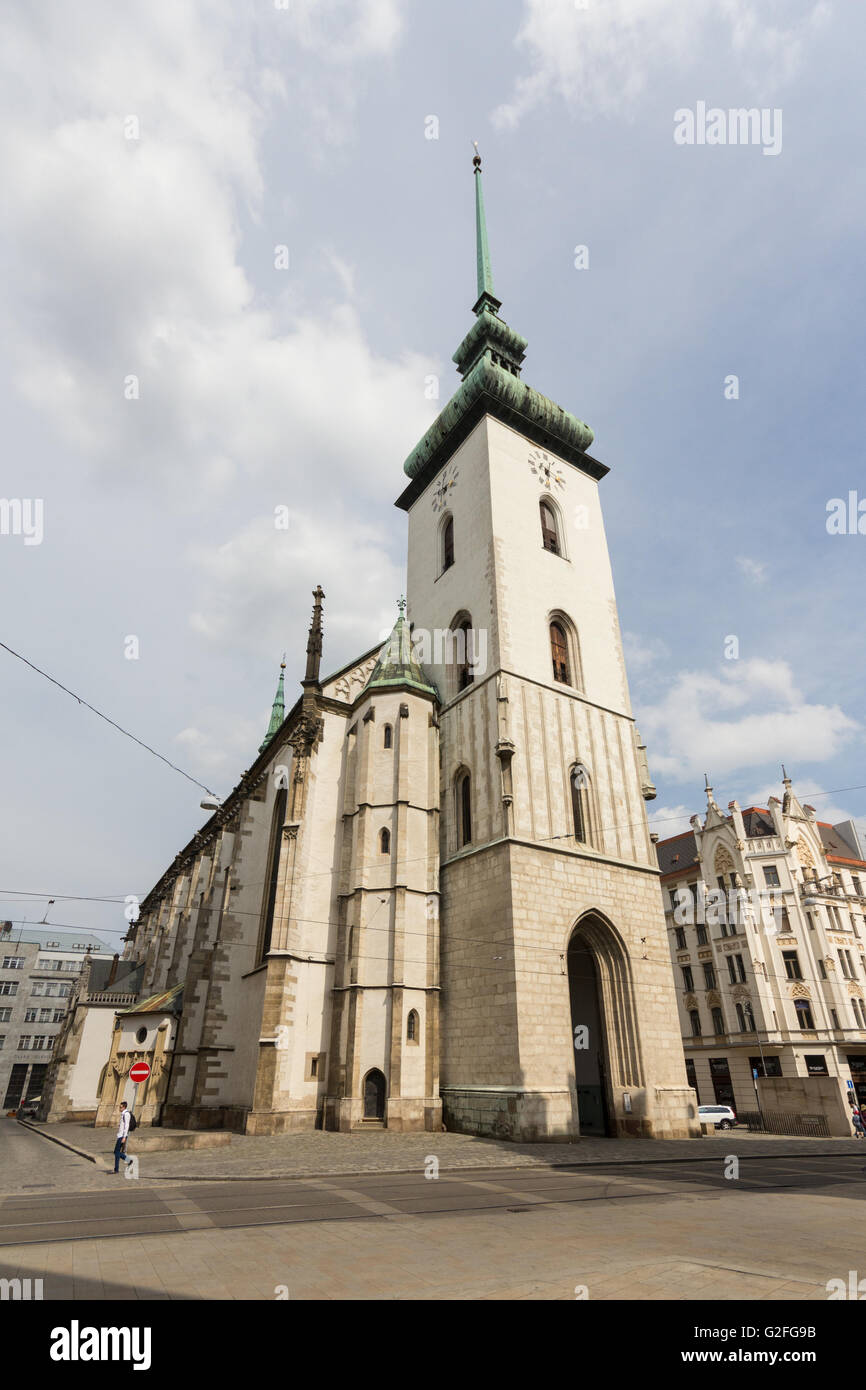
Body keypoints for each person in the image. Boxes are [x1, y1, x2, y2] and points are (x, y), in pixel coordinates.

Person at [113, 1101, 133, 1172]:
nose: (119, 1108)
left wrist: (124, 1137)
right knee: (116, 1152)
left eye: (120, 1107)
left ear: (124, 1107)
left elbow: (126, 1126)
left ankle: (117, 1169)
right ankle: (128, 1161)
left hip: (122, 1136)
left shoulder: (126, 1114)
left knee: (116, 1152)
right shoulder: (123, 1114)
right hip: (120, 1135)